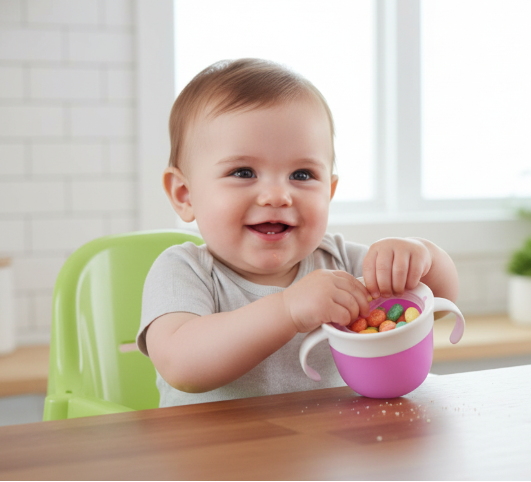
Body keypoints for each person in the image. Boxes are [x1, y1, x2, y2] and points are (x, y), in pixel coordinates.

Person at [135, 58, 459, 407]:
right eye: (243, 172)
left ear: (328, 192)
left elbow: (438, 305)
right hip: (212, 458)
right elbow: (181, 364)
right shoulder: (184, 271)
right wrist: (287, 310)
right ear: (185, 195)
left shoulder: (341, 262)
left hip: (327, 452)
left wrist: (422, 255)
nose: (277, 195)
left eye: (302, 175)